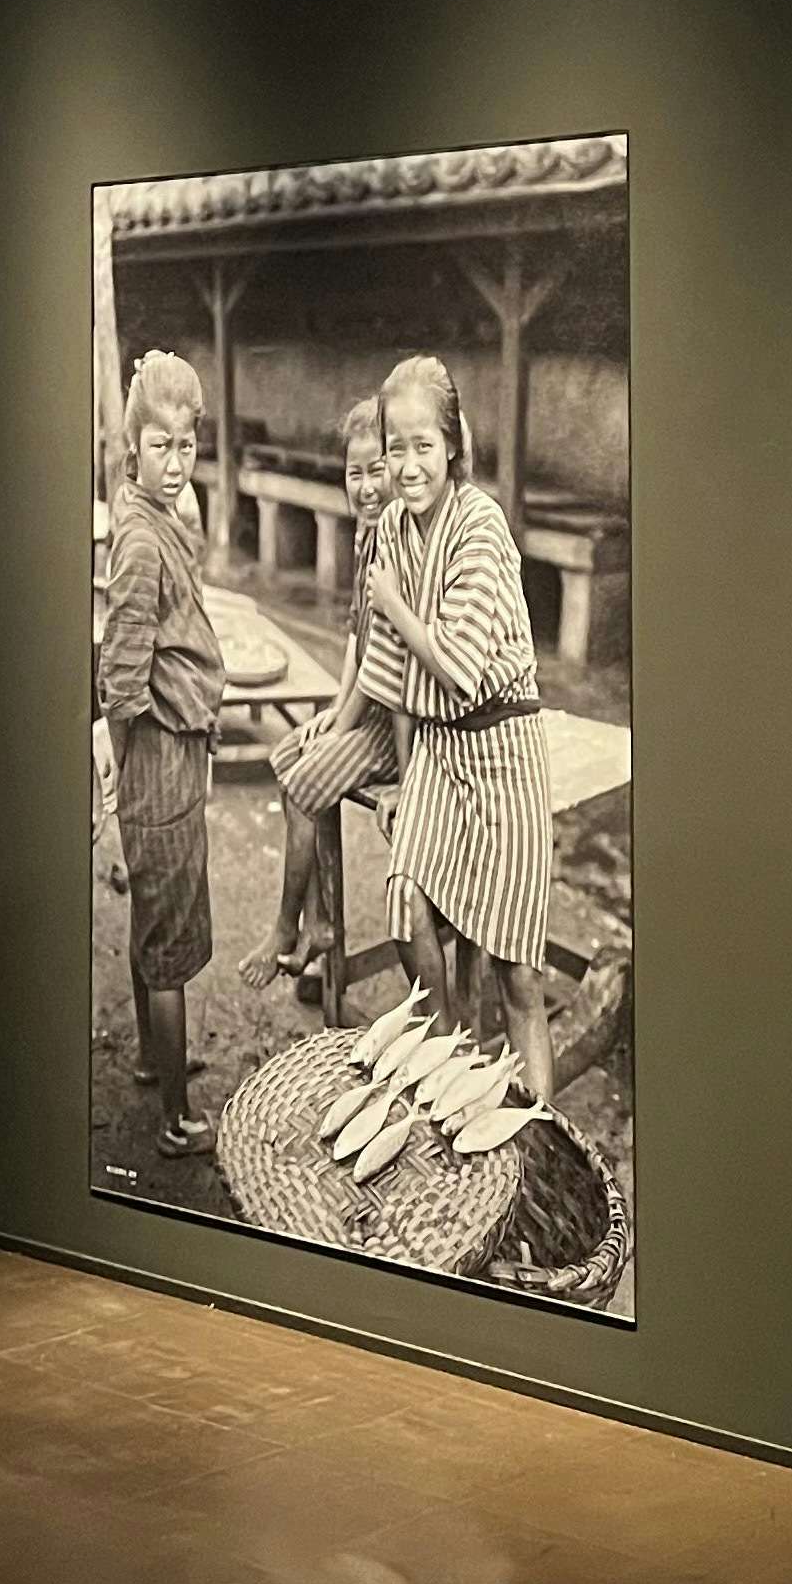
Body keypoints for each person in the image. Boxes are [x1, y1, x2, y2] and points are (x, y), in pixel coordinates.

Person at [355, 352, 558, 1104]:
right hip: (441, 750)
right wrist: (402, 779)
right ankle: (448, 1058)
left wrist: (390, 602)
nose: (408, 466)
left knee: (518, 973)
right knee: (406, 902)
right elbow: (392, 677)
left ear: (452, 446)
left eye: (423, 446)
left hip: (503, 747)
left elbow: (456, 667)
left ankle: (535, 1135)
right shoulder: (393, 529)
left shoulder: (481, 525)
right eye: (395, 448)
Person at [96, 350, 222, 1154]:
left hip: (170, 751)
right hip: (160, 754)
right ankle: (177, 1120)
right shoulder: (141, 541)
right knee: (170, 942)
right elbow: (120, 671)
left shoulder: (155, 514)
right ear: (131, 447)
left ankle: (153, 1057)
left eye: (187, 446)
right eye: (159, 446)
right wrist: (121, 760)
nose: (176, 464)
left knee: (155, 920)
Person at [250, 397, 397, 1000]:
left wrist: (343, 726)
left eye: (376, 470)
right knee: (287, 754)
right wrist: (334, 713)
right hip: (368, 708)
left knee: (304, 783)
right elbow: (357, 644)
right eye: (353, 473)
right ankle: (320, 921)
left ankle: (290, 926)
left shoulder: (398, 542)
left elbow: (383, 666)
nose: (365, 487)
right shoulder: (367, 536)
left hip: (399, 721)